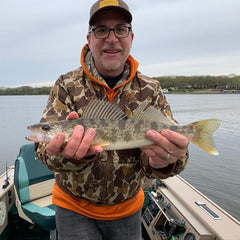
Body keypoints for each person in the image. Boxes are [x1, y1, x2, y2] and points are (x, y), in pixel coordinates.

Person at [35, 0, 189, 239]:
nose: (112, 38)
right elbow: (44, 152)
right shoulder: (66, 85)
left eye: (120, 29)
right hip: (73, 208)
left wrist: (165, 161)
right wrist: (68, 156)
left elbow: (174, 157)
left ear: (131, 37)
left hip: (127, 211)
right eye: (101, 30)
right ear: (89, 39)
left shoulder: (151, 89)